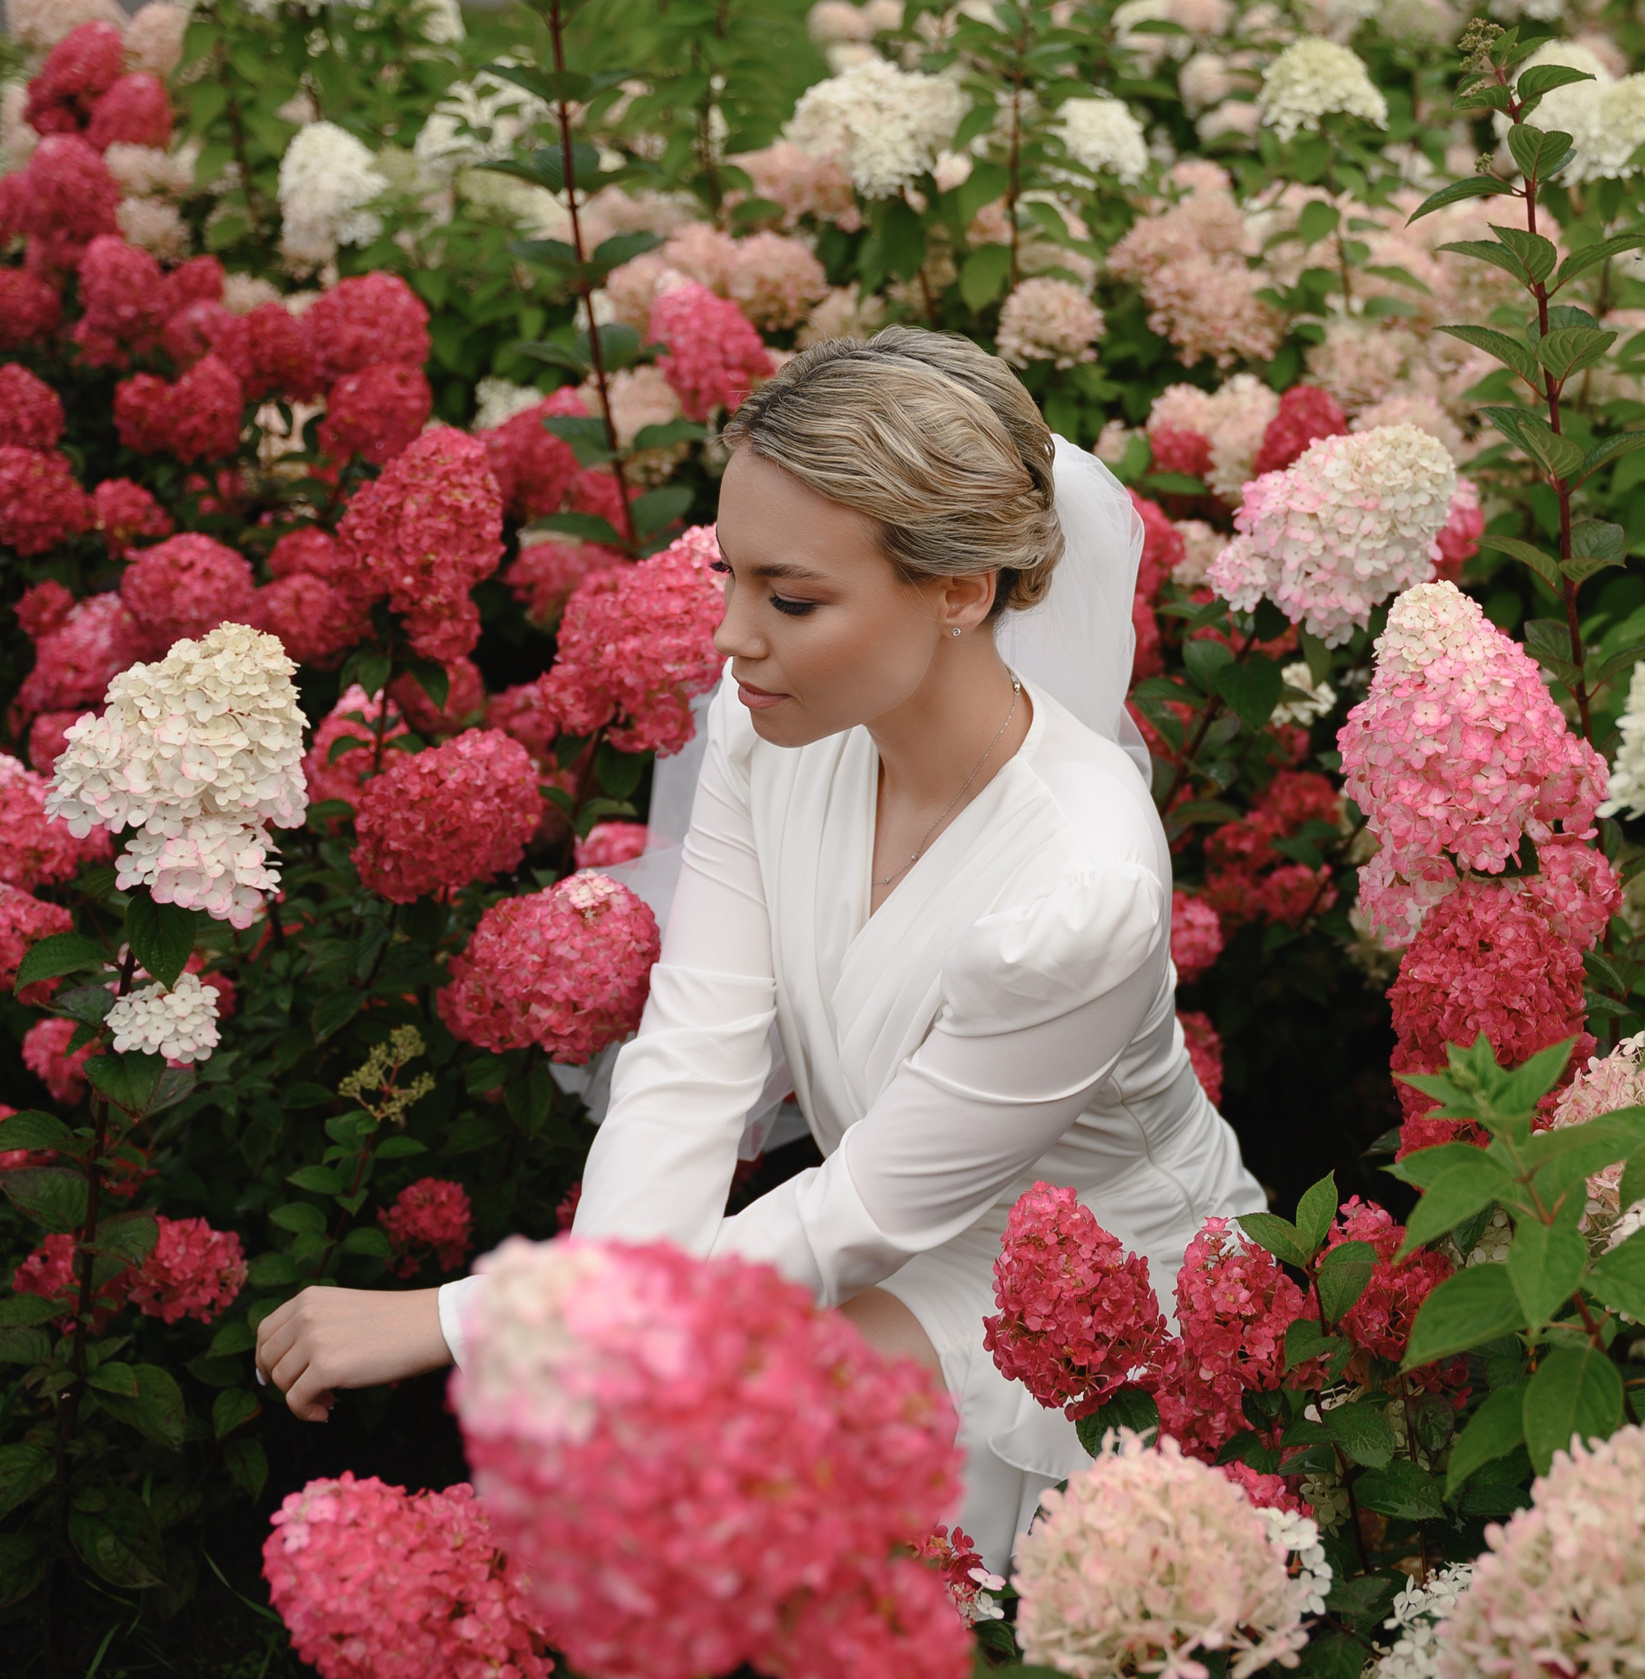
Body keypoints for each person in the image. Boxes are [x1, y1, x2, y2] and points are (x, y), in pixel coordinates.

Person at [254, 328, 1265, 1565]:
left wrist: (488, 1320)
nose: (731, 636)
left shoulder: (1079, 889)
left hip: (1085, 1289)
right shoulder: (767, 725)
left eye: (789, 598)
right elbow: (692, 1059)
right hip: (871, 1243)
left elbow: (864, 1210)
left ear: (960, 591)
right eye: (733, 575)